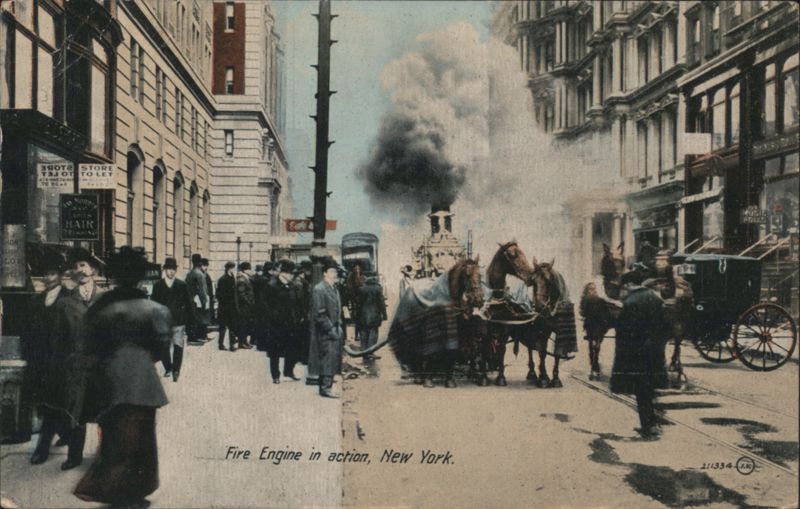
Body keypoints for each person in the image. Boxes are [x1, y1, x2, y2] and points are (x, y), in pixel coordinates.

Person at [74, 247, 171, 508]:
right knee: (142, 442)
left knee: (115, 440)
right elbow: (161, 349)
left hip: (108, 382)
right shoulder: (156, 310)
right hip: (142, 383)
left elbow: (88, 346)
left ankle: (114, 491)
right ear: (140, 277)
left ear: (114, 276)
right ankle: (133, 493)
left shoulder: (100, 308)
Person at [47, 248, 104, 470]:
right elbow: (57, 337)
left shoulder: (104, 298)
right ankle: (74, 456)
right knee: (76, 414)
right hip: (76, 367)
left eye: (83, 265)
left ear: (93, 270)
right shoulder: (65, 302)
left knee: (104, 414)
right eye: (76, 266)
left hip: (100, 366)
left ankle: (104, 455)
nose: (79, 270)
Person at [610, 268, 669, 439]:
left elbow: (624, 333)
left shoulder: (630, 302)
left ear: (629, 285)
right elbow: (665, 327)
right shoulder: (656, 298)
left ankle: (648, 427)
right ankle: (652, 424)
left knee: (642, 392)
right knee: (649, 390)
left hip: (636, 355)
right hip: (655, 353)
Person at [24, 252, 70, 465]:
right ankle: (67, 434)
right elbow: (29, 331)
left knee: (52, 404)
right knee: (46, 404)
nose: (48, 278)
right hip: (40, 361)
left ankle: (42, 449)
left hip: (60, 362)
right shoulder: (36, 300)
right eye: (45, 274)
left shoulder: (69, 299)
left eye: (52, 273)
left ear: (60, 276)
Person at [151, 257, 193, 382]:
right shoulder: (158, 286)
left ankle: (176, 370)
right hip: (163, 323)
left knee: (178, 346)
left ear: (175, 270)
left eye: (173, 269)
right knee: (164, 347)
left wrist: (190, 320)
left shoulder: (182, 285)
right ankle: (168, 368)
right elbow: (153, 305)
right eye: (169, 269)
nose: (171, 272)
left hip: (178, 321)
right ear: (164, 270)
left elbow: (188, 303)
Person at [261, 260, 303, 383]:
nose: (292, 276)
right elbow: (265, 305)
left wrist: (297, 316)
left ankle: (288, 371)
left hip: (291, 323)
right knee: (275, 350)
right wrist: (273, 316)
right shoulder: (271, 285)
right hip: (276, 324)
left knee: (292, 348)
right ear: (284, 273)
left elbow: (295, 303)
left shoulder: (291, 286)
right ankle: (275, 375)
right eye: (291, 274)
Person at [311, 257, 345, 398]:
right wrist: (331, 329)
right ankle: (325, 388)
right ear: (325, 273)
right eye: (331, 271)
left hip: (334, 328)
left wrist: (339, 326)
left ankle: (328, 385)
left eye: (335, 271)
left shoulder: (334, 288)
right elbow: (320, 313)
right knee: (327, 358)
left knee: (332, 358)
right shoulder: (320, 289)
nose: (334, 274)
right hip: (326, 331)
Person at [579, 282, 612, 380]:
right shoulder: (585, 300)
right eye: (590, 289)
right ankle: (593, 365)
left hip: (600, 325)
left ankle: (595, 365)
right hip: (590, 324)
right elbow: (582, 312)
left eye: (594, 289)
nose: (593, 291)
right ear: (587, 290)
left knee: (596, 346)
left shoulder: (600, 300)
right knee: (592, 346)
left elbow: (606, 312)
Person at [355, 275, 387, 361]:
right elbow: (381, 303)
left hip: (363, 314)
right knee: (373, 333)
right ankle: (371, 352)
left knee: (363, 333)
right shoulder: (377, 288)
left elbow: (358, 303)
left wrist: (356, 315)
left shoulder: (361, 289)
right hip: (374, 314)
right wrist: (384, 315)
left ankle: (364, 352)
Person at [186, 253, 210, 344]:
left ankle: (192, 337)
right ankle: (197, 337)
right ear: (200, 263)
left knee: (192, 319)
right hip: (198, 301)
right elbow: (202, 291)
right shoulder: (200, 274)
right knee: (199, 319)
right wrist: (205, 303)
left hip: (190, 300)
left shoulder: (190, 273)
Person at [216, 262, 239, 351]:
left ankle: (231, 345)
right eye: (233, 268)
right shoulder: (223, 279)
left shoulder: (232, 277)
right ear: (230, 268)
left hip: (231, 306)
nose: (234, 270)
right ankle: (221, 344)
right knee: (223, 326)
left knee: (232, 326)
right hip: (225, 307)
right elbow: (219, 294)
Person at [235, 262, 255, 349]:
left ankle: (244, 341)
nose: (251, 271)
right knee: (243, 324)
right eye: (250, 269)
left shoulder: (245, 278)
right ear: (245, 269)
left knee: (246, 324)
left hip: (246, 306)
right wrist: (249, 302)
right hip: (243, 306)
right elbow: (241, 293)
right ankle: (241, 342)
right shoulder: (242, 279)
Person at [202, 258, 215, 326]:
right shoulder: (201, 275)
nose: (206, 267)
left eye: (206, 265)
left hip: (208, 298)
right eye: (204, 266)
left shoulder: (207, 276)